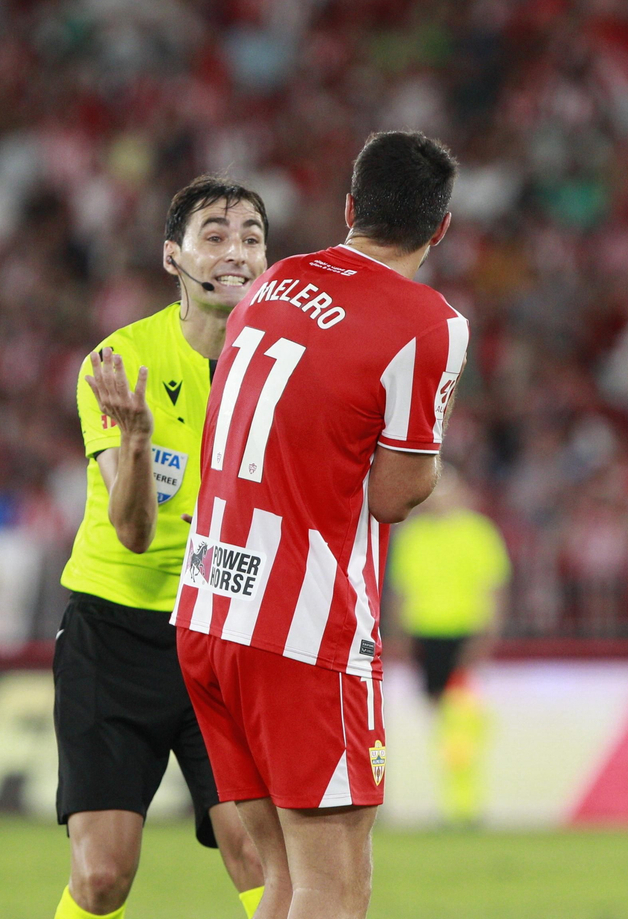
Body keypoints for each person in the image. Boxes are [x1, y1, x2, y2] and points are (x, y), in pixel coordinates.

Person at [174, 131, 469, 919]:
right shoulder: (428, 321)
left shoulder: (275, 281)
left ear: (348, 208)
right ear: (440, 228)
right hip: (301, 630)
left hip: (209, 610)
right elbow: (394, 495)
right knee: (334, 891)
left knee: (283, 882)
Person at [54, 178, 269, 919]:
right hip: (115, 632)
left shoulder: (281, 369)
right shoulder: (120, 361)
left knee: (259, 854)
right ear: (172, 256)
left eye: (251, 237)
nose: (235, 251)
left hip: (221, 631)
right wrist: (139, 440)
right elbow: (134, 532)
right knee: (102, 879)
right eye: (215, 235)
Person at [385, 464, 509, 826]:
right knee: (444, 719)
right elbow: (401, 591)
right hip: (425, 636)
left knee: (458, 719)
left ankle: (463, 806)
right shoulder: (414, 535)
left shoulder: (477, 533)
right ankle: (457, 805)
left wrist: (485, 638)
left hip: (463, 634)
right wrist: (401, 638)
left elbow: (494, 589)